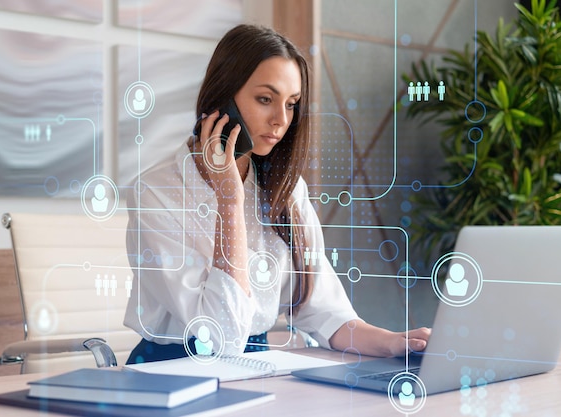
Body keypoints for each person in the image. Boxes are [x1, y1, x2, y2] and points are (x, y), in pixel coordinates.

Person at [124, 24, 430, 364]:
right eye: (265, 99)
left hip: (254, 367)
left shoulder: (286, 189)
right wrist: (230, 200)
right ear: (223, 96)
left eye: (292, 103)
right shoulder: (155, 191)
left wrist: (394, 342)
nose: (280, 120)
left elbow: (326, 314)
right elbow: (220, 339)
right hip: (168, 372)